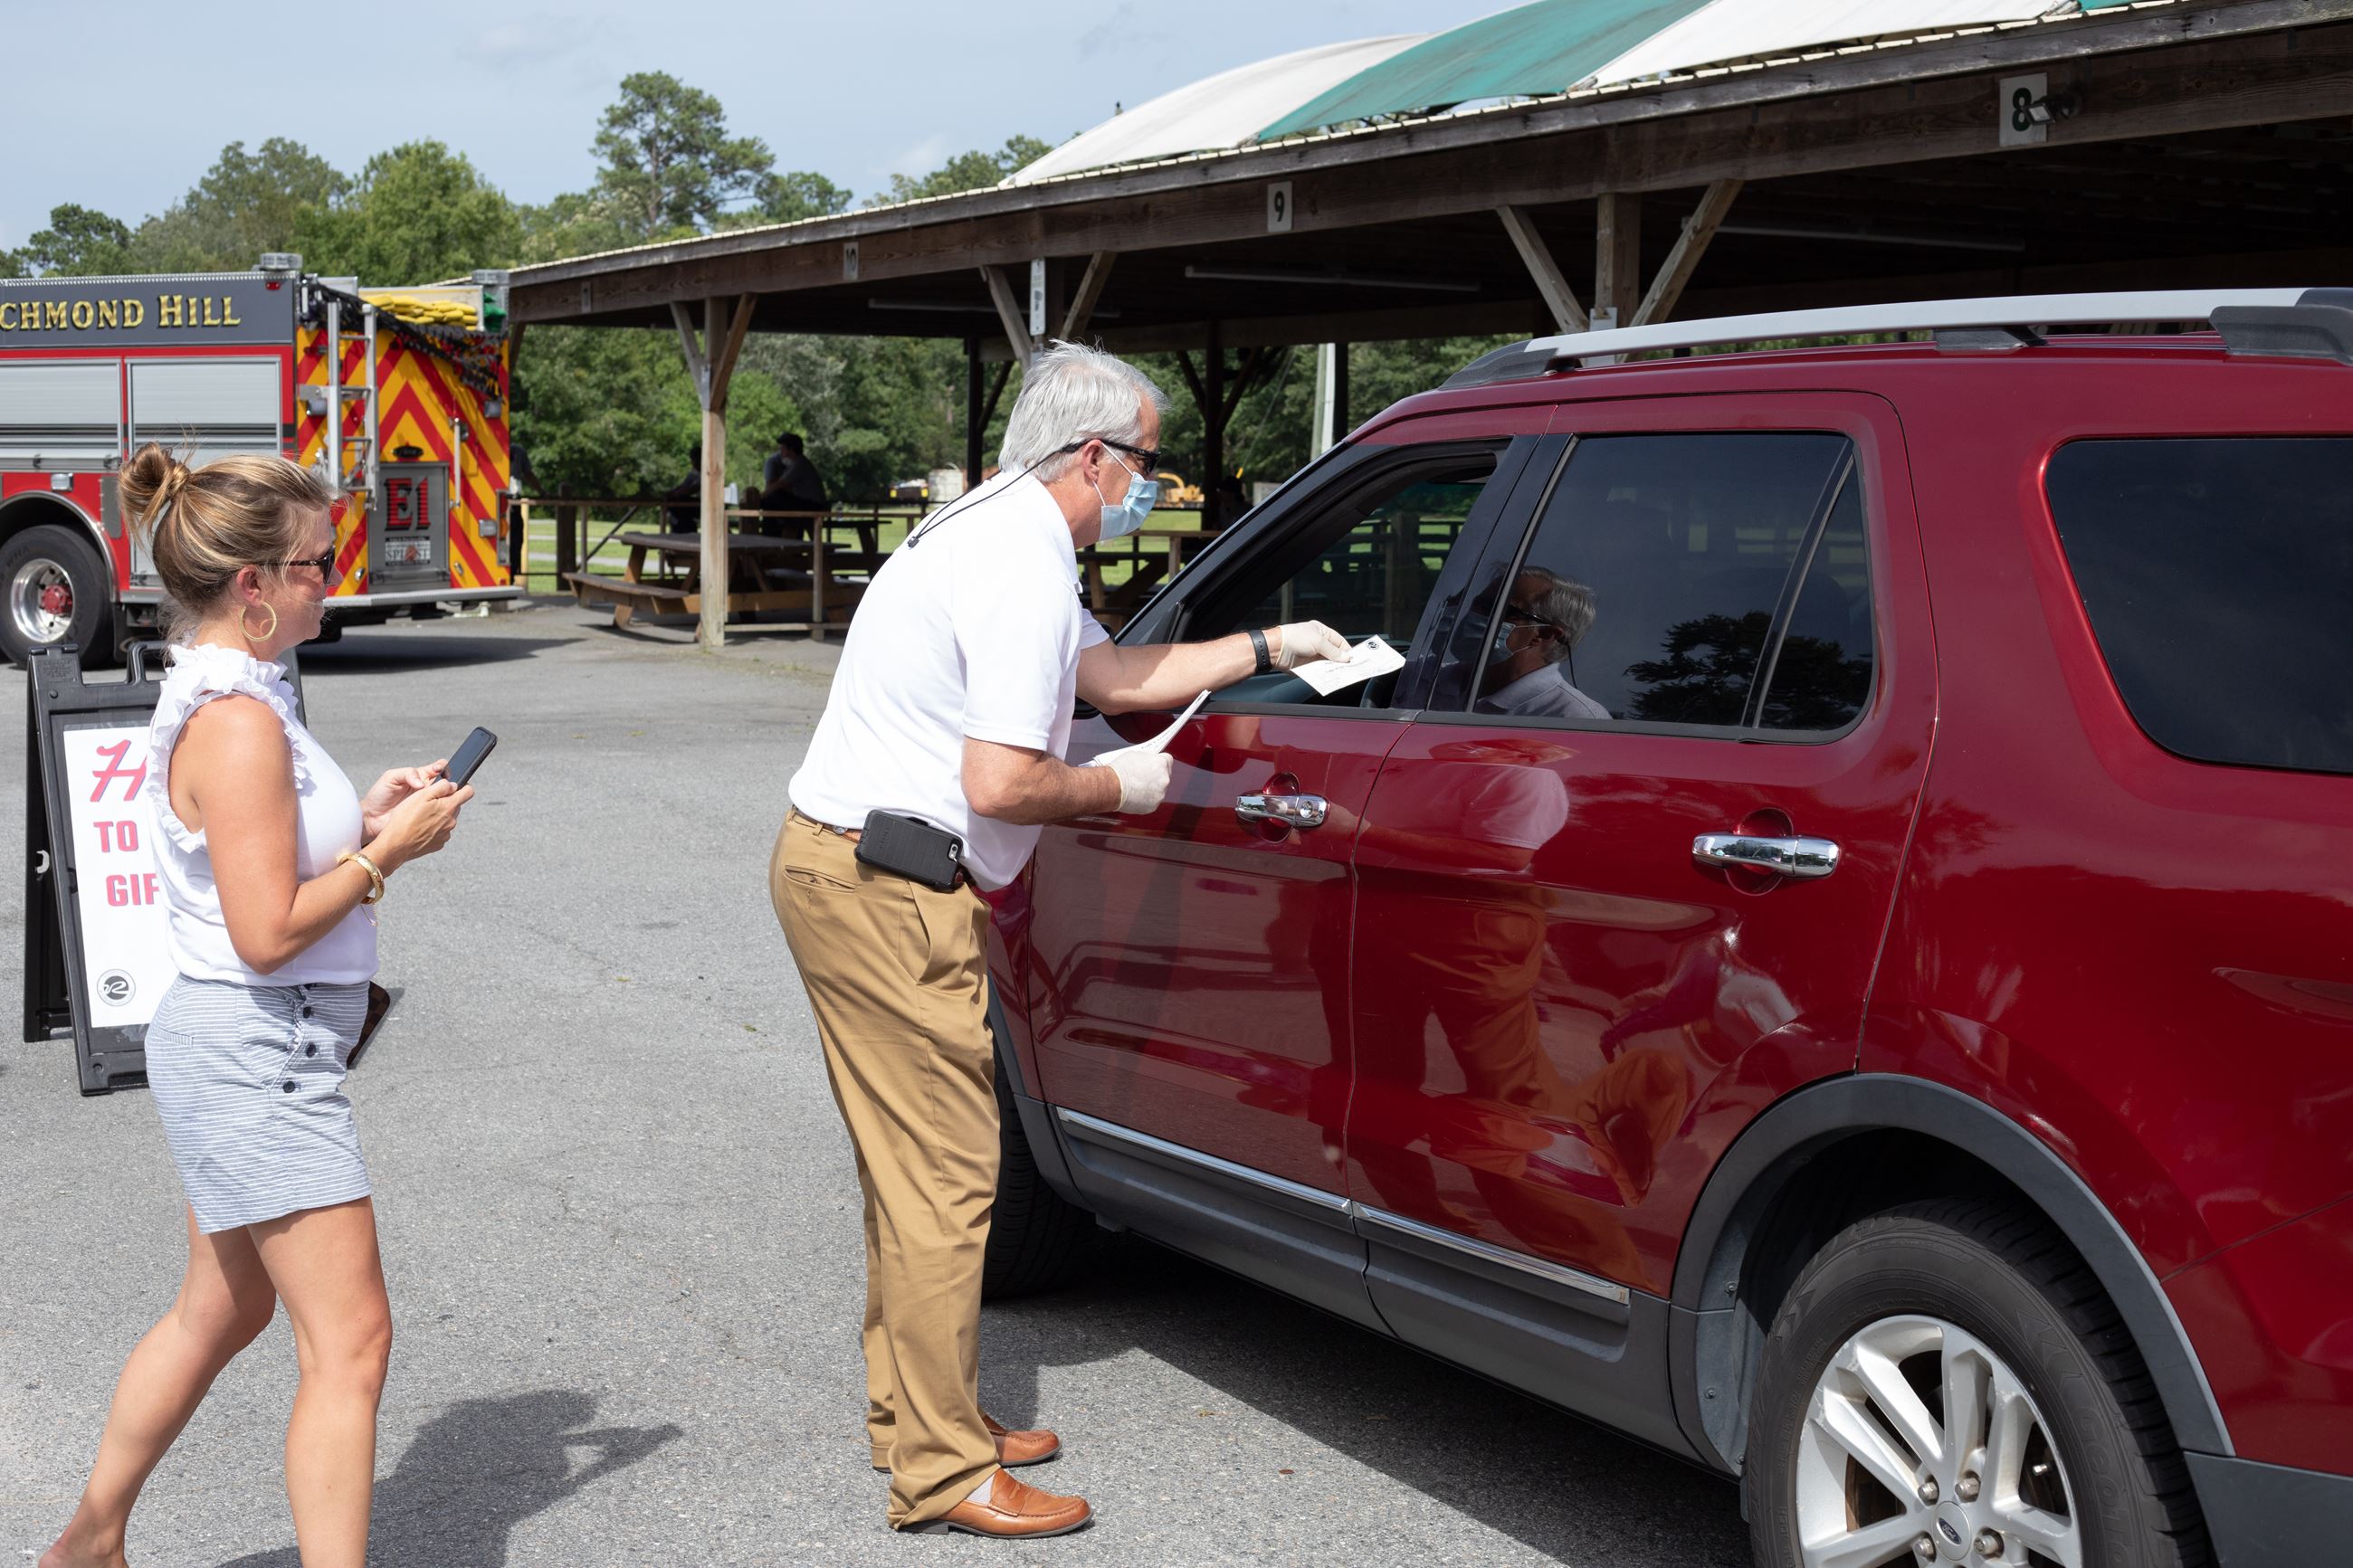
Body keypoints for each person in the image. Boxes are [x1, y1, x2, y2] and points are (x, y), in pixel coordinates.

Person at [769, 340, 1348, 1540]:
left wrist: (1266, 649)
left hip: (846, 865)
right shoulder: (1023, 568)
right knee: (947, 1177)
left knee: (905, 1169)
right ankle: (941, 1469)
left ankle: (918, 1415)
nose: (1152, 483)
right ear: (1093, 456)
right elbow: (1004, 779)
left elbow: (1112, 671)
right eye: (1145, 461)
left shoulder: (988, 530)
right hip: (894, 888)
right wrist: (1120, 790)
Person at [41, 448, 472, 1568]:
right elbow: (267, 927)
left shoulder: (233, 688)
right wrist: (387, 855)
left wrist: (362, 812)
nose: (333, 578)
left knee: (220, 1311)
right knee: (354, 1341)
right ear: (254, 586)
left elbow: (264, 851)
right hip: (255, 1049)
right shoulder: (235, 719)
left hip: (238, 1046)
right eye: (317, 564)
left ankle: (88, 1541)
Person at [1474, 565, 1611, 719]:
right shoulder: (1442, 676)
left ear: (1546, 634)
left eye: (1501, 610)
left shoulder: (1576, 717)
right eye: (1478, 604)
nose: (1478, 614)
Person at [752, 432, 827, 538]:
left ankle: (768, 536)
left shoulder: (800, 464)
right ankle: (771, 535)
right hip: (809, 504)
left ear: (791, 449)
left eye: (782, 449)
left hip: (812, 506)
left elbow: (778, 485)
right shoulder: (796, 464)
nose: (781, 453)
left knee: (775, 497)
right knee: (774, 503)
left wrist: (758, 498)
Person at [663, 442, 701, 530]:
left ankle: (681, 525)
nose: (694, 462)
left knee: (677, 502)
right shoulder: (694, 472)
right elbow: (685, 485)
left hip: (703, 505)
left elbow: (695, 488)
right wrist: (672, 492)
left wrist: (677, 493)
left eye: (696, 459)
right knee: (672, 500)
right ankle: (679, 524)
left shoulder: (707, 472)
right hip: (694, 503)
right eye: (693, 459)